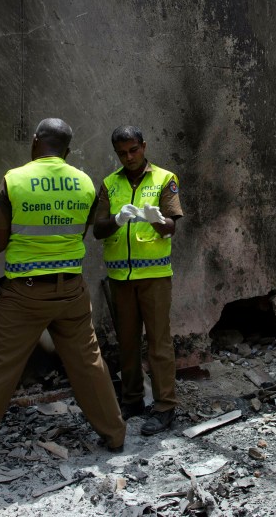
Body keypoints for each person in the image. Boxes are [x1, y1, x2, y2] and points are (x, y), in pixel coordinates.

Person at [0, 118, 126, 478]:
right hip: (71, 290)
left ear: (34, 142)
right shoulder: (86, 183)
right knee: (89, 364)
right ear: (68, 149)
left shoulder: (13, 180)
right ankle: (115, 434)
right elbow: (85, 229)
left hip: (24, 293)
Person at [93, 125, 183, 436]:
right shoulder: (109, 184)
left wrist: (157, 219)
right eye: (122, 153)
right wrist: (117, 220)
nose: (129, 157)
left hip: (154, 276)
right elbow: (98, 229)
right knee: (127, 342)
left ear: (144, 146)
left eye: (133, 150)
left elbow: (172, 227)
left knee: (158, 342)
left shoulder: (164, 178)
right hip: (120, 276)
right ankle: (131, 400)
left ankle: (165, 406)